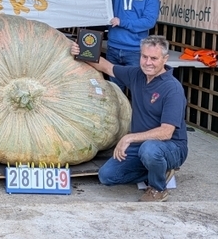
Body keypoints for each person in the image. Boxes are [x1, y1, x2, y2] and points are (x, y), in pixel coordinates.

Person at [72, 34, 188, 201]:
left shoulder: (173, 89)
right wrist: (82, 52)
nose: (148, 62)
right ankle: (157, 170)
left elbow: (166, 132)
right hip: (141, 145)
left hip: (171, 147)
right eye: (144, 57)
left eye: (154, 58)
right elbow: (108, 67)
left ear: (165, 59)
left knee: (150, 150)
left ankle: (158, 188)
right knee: (107, 176)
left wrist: (129, 138)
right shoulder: (136, 75)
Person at [107, 0, 161, 91]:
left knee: (137, 90)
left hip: (135, 51)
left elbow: (148, 21)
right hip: (113, 48)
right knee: (114, 90)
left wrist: (122, 22)